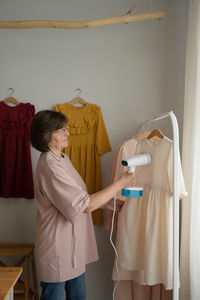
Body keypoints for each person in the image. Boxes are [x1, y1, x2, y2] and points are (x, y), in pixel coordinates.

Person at [30, 110, 136, 300]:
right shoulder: (50, 166)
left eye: (66, 129)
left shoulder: (63, 159)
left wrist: (106, 204)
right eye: (61, 131)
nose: (67, 133)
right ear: (45, 137)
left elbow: (76, 197)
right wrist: (121, 182)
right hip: (58, 250)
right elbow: (84, 205)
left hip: (73, 249)